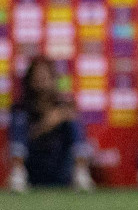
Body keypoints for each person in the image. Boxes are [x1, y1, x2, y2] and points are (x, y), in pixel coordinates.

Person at [8, 56, 92, 192]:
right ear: (30, 80)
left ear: (53, 79)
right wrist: (46, 124)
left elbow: (76, 137)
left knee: (72, 118)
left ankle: (81, 173)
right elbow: (22, 138)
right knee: (20, 118)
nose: (41, 80)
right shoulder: (21, 108)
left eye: (45, 76)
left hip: (60, 167)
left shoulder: (64, 106)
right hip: (32, 166)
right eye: (38, 76)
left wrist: (61, 117)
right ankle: (17, 174)